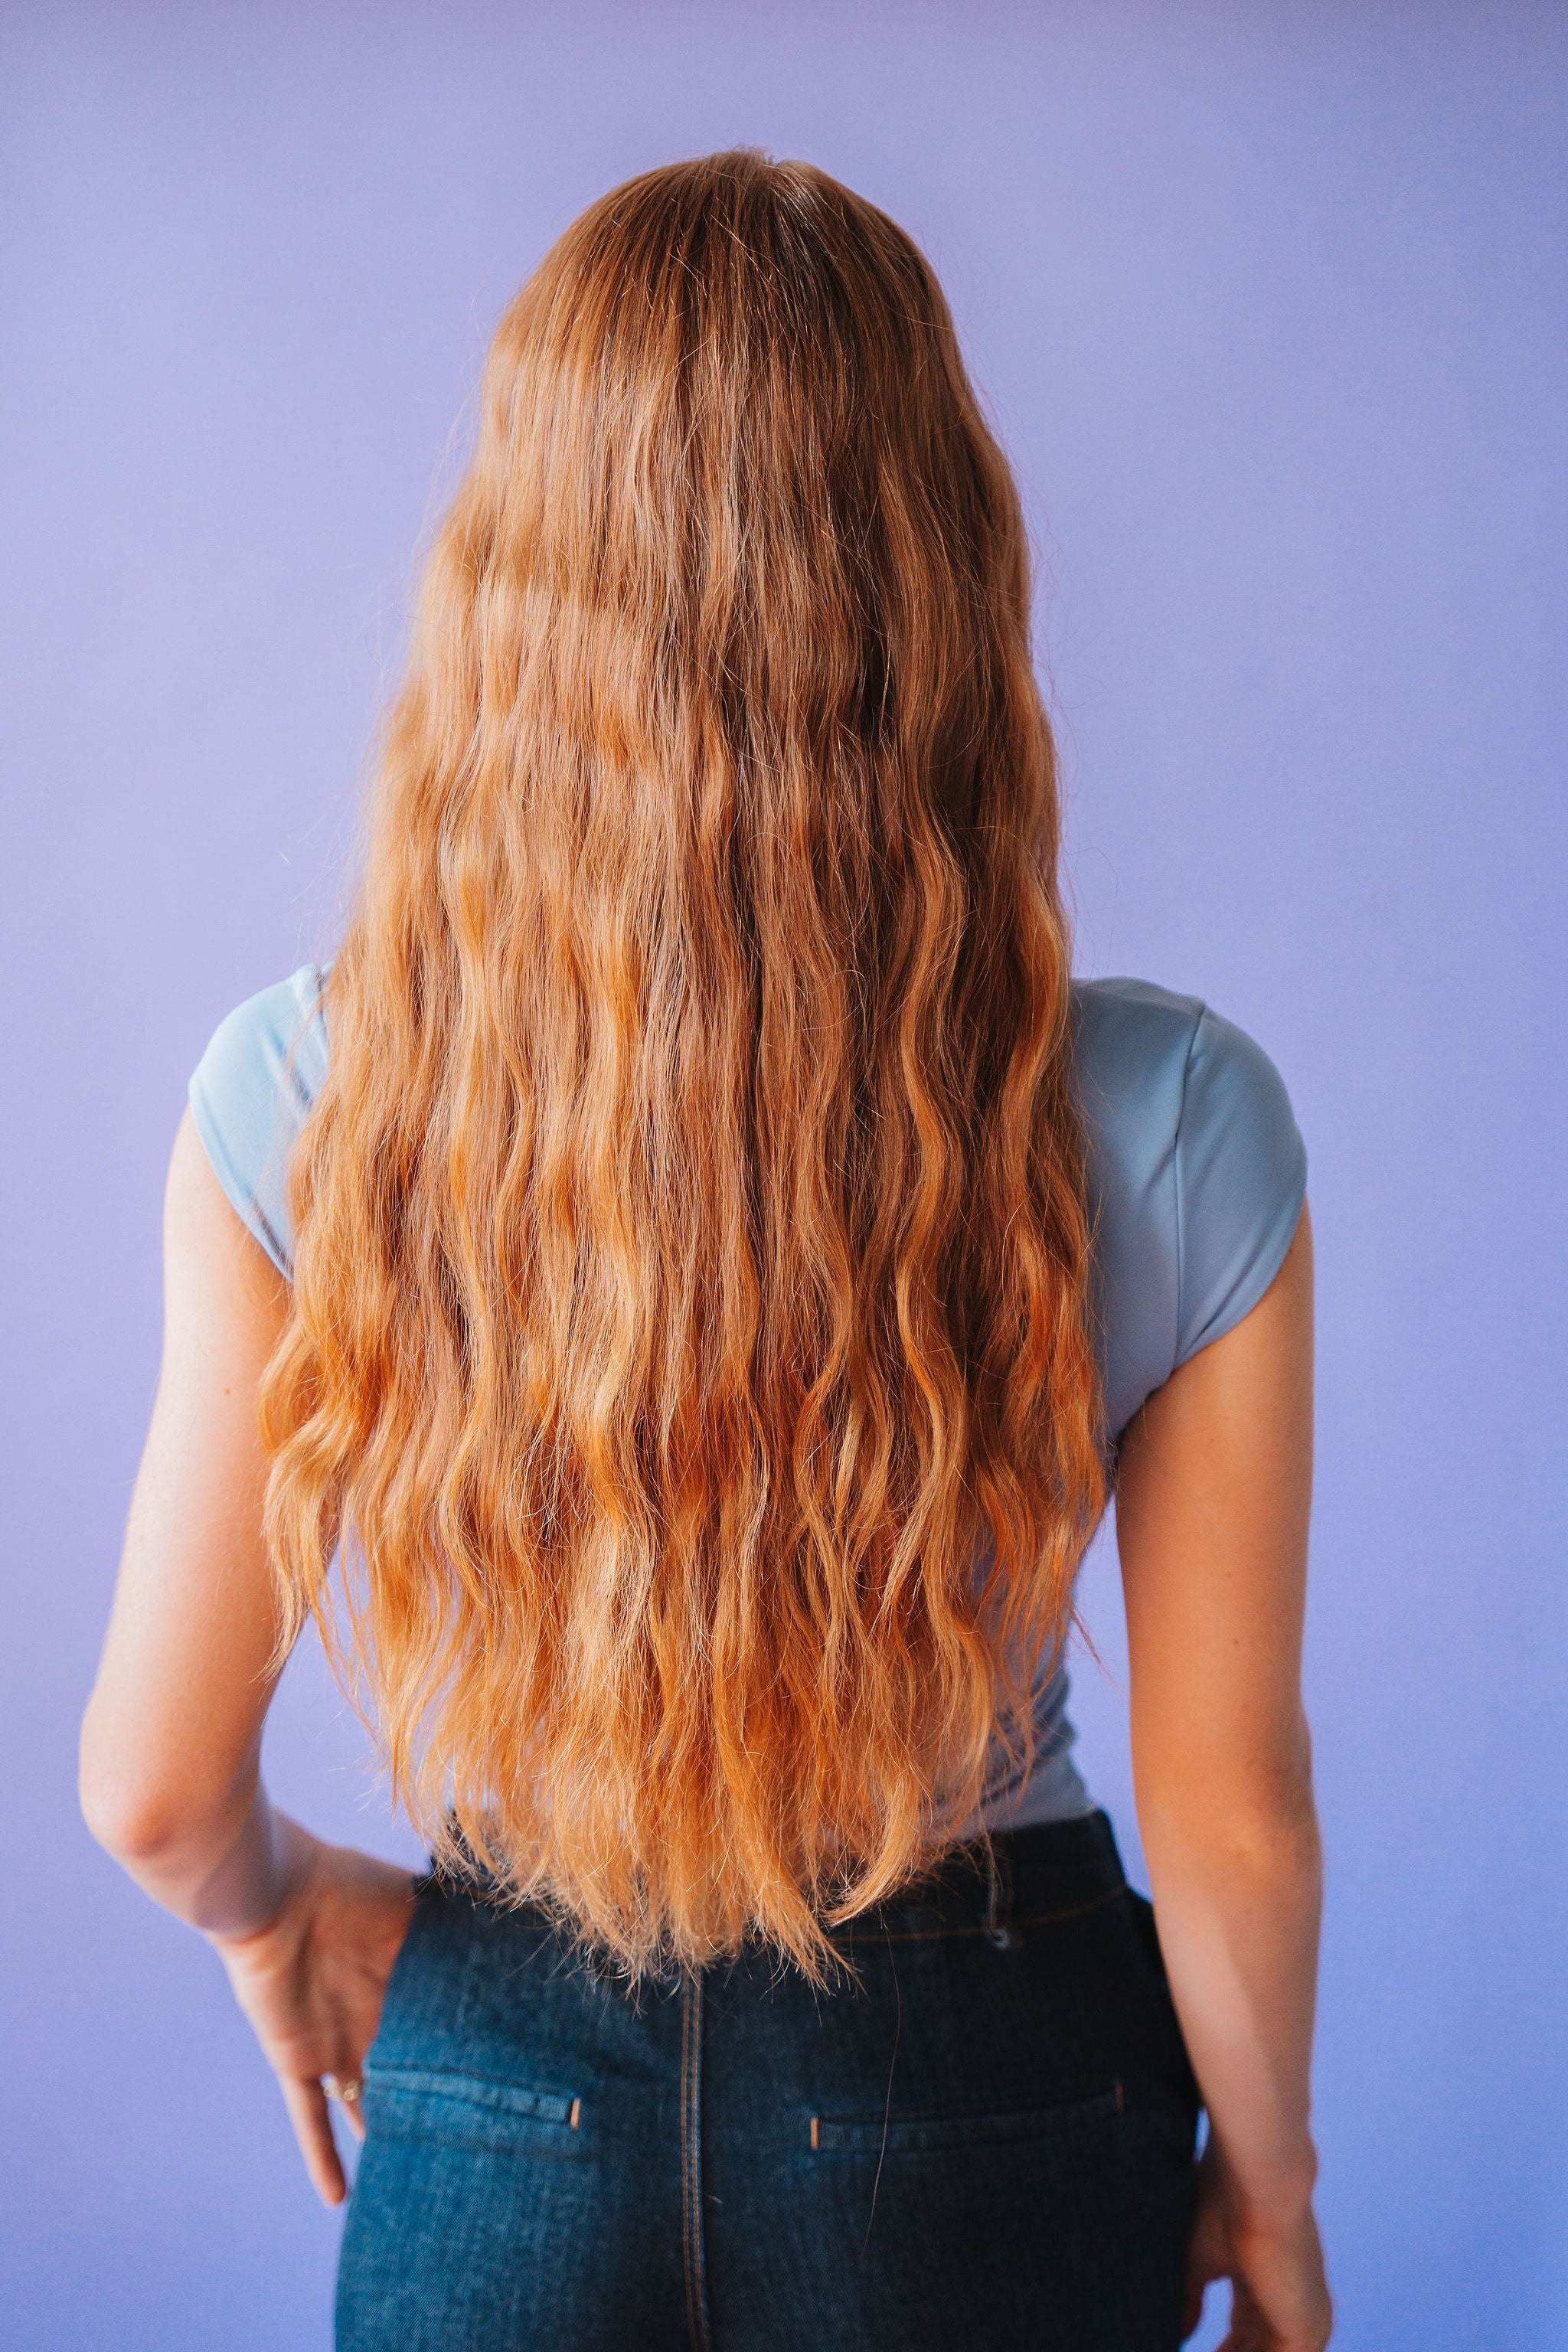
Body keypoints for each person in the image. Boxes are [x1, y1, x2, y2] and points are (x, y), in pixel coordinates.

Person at [80, 150, 1331, 2352]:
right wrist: (1275, 2181)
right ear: (943, 571)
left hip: (492, 2076)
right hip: (996, 2096)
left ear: (511, 580)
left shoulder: (299, 1096)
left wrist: (283, 1932)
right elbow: (1230, 1816)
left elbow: (156, 1787)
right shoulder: (1177, 1119)